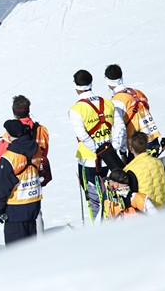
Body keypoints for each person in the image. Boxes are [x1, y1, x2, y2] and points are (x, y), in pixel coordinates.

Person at [68, 69, 126, 222]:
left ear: (75, 86)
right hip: (110, 157)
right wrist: (112, 147)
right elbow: (119, 127)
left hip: (89, 161)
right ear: (91, 83)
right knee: (112, 196)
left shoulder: (76, 110)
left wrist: (96, 150)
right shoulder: (107, 102)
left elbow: (82, 136)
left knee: (95, 203)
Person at [0, 120, 43, 244]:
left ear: (9, 135)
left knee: (16, 255)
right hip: (34, 205)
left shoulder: (10, 158)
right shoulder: (36, 150)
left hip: (16, 209)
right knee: (31, 250)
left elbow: (4, 186)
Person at [0, 95, 52, 190]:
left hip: (17, 185)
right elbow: (44, 153)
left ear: (14, 112)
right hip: (35, 183)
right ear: (28, 110)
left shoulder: (11, 135)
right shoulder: (41, 130)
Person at [105, 64, 162, 156]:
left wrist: (123, 151)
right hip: (153, 138)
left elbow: (120, 128)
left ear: (108, 81)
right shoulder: (137, 92)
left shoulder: (116, 101)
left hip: (137, 145)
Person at [123, 131, 165, 209]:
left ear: (130, 148)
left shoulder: (131, 170)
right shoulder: (159, 163)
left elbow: (132, 198)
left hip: (144, 215)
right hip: (161, 210)